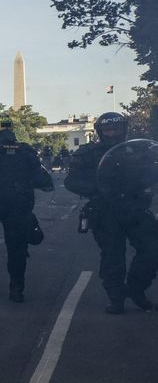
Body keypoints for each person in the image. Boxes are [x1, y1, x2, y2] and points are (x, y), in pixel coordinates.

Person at [65, 112, 158, 314]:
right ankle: (116, 298)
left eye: (116, 129)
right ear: (100, 131)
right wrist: (98, 189)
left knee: (152, 250)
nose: (112, 133)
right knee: (113, 257)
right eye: (108, 129)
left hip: (136, 208)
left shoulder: (139, 150)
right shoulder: (87, 152)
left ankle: (136, 289)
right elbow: (71, 181)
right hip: (105, 210)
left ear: (123, 129)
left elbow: (153, 172)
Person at [0, 115, 47, 302]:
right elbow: (41, 179)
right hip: (19, 204)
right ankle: (17, 288)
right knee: (17, 247)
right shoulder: (25, 150)